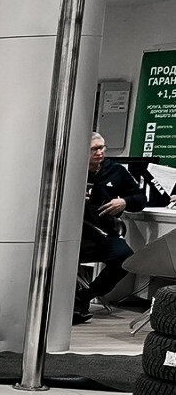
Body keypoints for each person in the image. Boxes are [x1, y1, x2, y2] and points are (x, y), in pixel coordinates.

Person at [73, 132, 147, 325]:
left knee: (125, 258)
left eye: (102, 147)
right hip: (73, 234)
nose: (100, 152)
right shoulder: (71, 169)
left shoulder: (116, 171)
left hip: (103, 233)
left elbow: (141, 198)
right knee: (62, 258)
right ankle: (69, 304)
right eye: (94, 149)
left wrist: (125, 202)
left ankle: (85, 296)